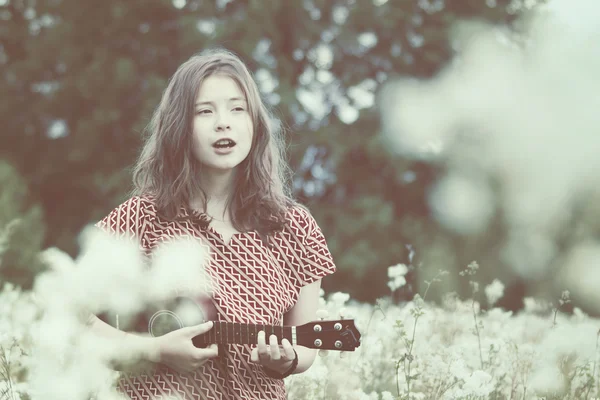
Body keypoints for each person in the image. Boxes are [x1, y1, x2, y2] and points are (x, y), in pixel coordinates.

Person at [88, 48, 337, 400]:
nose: (224, 122)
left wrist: (286, 359)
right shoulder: (140, 218)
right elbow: (70, 317)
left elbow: (306, 344)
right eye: (205, 111)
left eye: (238, 109)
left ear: (255, 123)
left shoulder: (296, 228)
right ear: (179, 127)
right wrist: (154, 350)